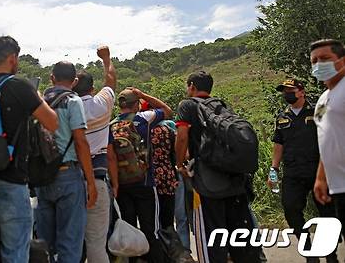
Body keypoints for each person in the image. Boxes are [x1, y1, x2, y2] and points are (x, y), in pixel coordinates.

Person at [0, 36, 58, 263]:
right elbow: (52, 123)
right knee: (15, 253)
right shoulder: (19, 86)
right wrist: (38, 97)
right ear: (12, 58)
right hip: (11, 181)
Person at [175, 70, 260, 263]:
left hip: (206, 182)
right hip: (234, 178)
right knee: (239, 234)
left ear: (192, 87)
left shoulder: (187, 105)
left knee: (211, 236)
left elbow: (181, 136)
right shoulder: (221, 105)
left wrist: (180, 164)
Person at [269, 78, 337, 263]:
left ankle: (331, 255)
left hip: (318, 171)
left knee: (327, 214)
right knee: (290, 209)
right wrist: (273, 169)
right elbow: (278, 144)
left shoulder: (318, 110)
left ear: (301, 91)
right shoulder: (282, 117)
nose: (286, 94)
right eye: (284, 91)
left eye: (290, 90)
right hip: (292, 172)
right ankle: (309, 252)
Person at [35, 61, 97, 262]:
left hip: (42, 177)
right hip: (67, 175)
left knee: (45, 244)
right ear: (75, 81)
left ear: (51, 78)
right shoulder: (73, 100)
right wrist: (91, 182)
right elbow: (80, 142)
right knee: (70, 245)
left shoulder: (40, 101)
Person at [112, 87, 172, 263]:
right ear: (136, 104)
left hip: (122, 185)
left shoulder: (112, 125)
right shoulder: (143, 118)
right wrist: (143, 95)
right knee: (150, 230)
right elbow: (167, 111)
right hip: (144, 182)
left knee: (130, 229)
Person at [73, 46, 117, 263]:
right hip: (97, 182)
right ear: (92, 88)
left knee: (69, 243)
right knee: (97, 244)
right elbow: (110, 80)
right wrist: (106, 58)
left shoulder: (64, 108)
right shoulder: (102, 105)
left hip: (69, 181)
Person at [311, 39, 345, 246]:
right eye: (314, 61)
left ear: (342, 60)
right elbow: (327, 139)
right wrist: (321, 177)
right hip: (338, 186)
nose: (318, 64)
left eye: (324, 59)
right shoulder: (323, 99)